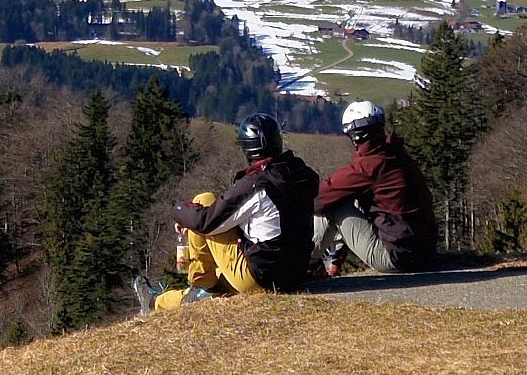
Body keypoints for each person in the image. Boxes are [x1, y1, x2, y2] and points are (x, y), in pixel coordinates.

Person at [135, 112, 319, 312]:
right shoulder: (301, 174)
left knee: (203, 201)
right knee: (219, 269)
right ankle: (159, 301)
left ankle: (201, 280)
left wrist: (179, 210)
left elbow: (206, 222)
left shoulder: (256, 184)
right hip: (295, 274)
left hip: (261, 278)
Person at [310, 100, 437, 275]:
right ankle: (332, 258)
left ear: (355, 136)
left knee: (333, 205)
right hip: (425, 253)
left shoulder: (369, 166)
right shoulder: (396, 155)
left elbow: (319, 199)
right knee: (348, 197)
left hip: (397, 257)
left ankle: (304, 265)